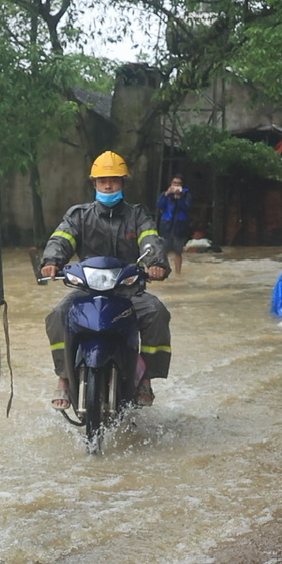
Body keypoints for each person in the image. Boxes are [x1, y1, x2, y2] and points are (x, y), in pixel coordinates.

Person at [40, 151, 171, 406]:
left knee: (157, 312)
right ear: (94, 184)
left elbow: (150, 239)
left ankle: (146, 381)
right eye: (102, 181)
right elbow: (61, 239)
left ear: (123, 183)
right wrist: (51, 262)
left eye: (113, 180)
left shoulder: (138, 215)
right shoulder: (79, 215)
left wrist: (156, 263)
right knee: (57, 316)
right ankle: (64, 380)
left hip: (128, 291)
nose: (108, 185)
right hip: (87, 290)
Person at [156, 175, 192, 273]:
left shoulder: (186, 195)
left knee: (178, 252)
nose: (176, 185)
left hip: (179, 227)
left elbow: (187, 208)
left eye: (179, 184)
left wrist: (179, 198)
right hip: (166, 226)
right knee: (163, 252)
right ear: (171, 184)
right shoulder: (165, 194)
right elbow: (159, 205)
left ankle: (178, 273)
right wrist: (167, 194)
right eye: (174, 183)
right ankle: (164, 271)